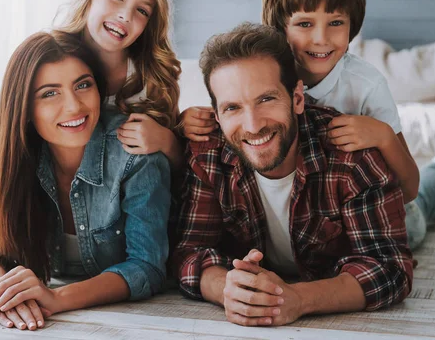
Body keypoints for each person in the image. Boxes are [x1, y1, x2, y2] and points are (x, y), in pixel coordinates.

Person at [180, 0, 435, 249]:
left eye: (336, 22)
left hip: (378, 212)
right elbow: (232, 111)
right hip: (318, 224)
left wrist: (383, 135)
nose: (321, 38)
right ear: (280, 28)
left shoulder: (366, 86)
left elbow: (410, 188)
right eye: (304, 23)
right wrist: (188, 120)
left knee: (421, 211)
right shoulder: (263, 72)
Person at [172, 23, 413, 327]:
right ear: (217, 116)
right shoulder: (206, 155)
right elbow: (187, 252)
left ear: (297, 98)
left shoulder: (352, 154)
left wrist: (298, 299)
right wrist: (226, 290)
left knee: (422, 211)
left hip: (400, 212)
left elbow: (391, 268)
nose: (253, 125)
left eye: (266, 99)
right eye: (233, 107)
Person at [0, 31, 171, 331]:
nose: (74, 106)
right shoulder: (20, 155)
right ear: (24, 109)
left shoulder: (135, 154)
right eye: (50, 93)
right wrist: (4, 295)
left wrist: (57, 297)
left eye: (83, 85)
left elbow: (147, 267)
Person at [55, 0, 183, 169]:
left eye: (141, 10)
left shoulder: (153, 78)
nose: (125, 15)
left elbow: (180, 172)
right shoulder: (50, 59)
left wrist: (166, 141)